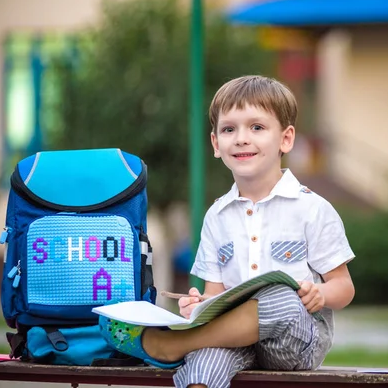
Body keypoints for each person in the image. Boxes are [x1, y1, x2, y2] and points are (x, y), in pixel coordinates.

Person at [100, 75, 356, 388]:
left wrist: (320, 293)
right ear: (215, 144)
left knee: (281, 295)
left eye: (257, 127)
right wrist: (198, 305)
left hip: (296, 341)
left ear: (286, 140)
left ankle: (176, 344)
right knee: (202, 367)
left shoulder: (312, 209)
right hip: (234, 340)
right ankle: (191, 344)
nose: (241, 138)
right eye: (229, 129)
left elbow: (344, 288)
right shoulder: (217, 216)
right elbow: (215, 296)